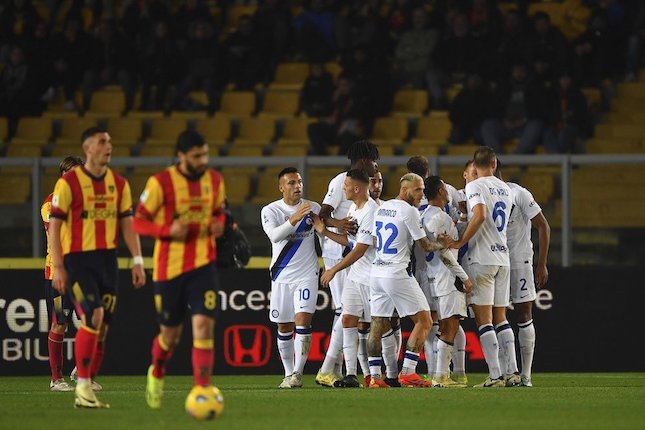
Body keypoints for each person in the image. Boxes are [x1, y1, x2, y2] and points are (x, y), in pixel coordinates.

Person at [49, 127, 146, 408]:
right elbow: (54, 226)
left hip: (107, 261)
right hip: (77, 260)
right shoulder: (68, 184)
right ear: (88, 148)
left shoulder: (119, 183)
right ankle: (79, 386)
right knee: (92, 315)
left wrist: (137, 259)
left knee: (102, 325)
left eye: (110, 141)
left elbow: (128, 223)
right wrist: (58, 265)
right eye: (102, 141)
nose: (109, 146)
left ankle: (85, 380)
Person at [133, 130, 226, 409]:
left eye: (205, 154)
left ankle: (203, 390)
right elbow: (138, 222)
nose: (203, 160)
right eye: (197, 156)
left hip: (203, 266)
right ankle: (157, 371)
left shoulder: (215, 180)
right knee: (170, 337)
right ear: (181, 156)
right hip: (169, 269)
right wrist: (166, 230)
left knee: (203, 327)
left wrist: (218, 223)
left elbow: (219, 211)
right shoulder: (160, 182)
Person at [367, 173, 449, 388]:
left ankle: (375, 377)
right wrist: (445, 243)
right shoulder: (409, 211)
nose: (422, 194)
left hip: (377, 272)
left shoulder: (381, 208)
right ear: (404, 190)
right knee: (425, 321)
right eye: (417, 190)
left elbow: (376, 240)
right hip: (396, 273)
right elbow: (426, 246)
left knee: (377, 324)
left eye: (423, 189)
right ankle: (408, 372)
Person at [446, 146, 515, 388]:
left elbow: (482, 214)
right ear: (494, 164)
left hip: (482, 258)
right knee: (501, 318)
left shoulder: (474, 186)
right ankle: (513, 373)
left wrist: (460, 241)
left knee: (484, 321)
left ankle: (495, 376)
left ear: (474, 166)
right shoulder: (507, 188)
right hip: (503, 258)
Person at [315, 140, 379, 387]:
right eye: (374, 159)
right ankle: (327, 369)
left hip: (350, 250)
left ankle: (337, 368)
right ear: (364, 160)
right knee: (345, 311)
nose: (376, 165)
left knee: (349, 312)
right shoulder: (342, 181)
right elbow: (323, 213)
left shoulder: (364, 193)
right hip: (337, 251)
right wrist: (338, 224)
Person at [260, 167, 321, 389]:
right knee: (284, 327)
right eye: (292, 183)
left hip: (307, 274)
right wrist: (294, 219)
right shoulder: (270, 210)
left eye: (299, 182)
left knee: (303, 321)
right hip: (281, 275)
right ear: (281, 187)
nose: (297, 186)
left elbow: (323, 229)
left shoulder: (313, 207)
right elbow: (275, 236)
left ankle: (298, 373)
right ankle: (288, 373)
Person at [497, 163, 550, 387]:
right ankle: (506, 374)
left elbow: (543, 226)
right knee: (495, 316)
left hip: (519, 260)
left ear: (493, 170)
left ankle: (526, 376)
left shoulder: (519, 193)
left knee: (523, 313)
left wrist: (541, 264)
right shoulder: (479, 193)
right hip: (495, 261)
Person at [421, 176, 473, 388]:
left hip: (432, 276)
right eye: (445, 187)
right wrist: (464, 277)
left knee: (444, 327)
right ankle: (441, 377)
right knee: (450, 326)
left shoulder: (425, 215)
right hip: (447, 277)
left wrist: (462, 217)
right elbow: (445, 253)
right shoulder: (440, 218)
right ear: (441, 192)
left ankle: (441, 375)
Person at [42, 155, 84, 392]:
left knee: (92, 319)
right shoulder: (50, 204)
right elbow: (56, 236)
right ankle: (56, 379)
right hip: (59, 276)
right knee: (60, 323)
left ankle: (81, 372)